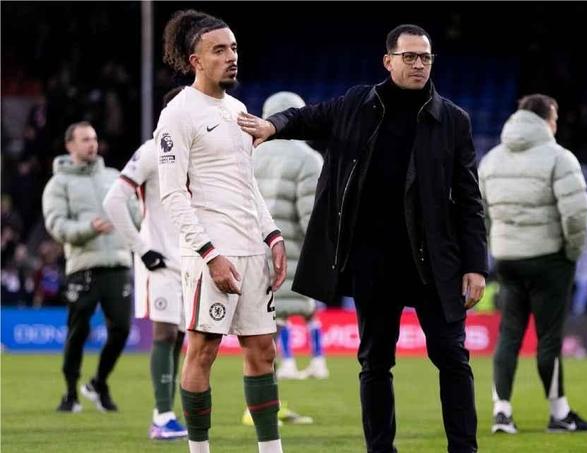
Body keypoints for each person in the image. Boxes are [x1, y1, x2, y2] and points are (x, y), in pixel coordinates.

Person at [240, 24, 487, 453]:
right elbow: (304, 117)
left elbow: (469, 200)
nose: (419, 64)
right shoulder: (356, 104)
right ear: (388, 61)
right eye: (409, 56)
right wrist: (272, 125)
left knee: (452, 358)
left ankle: (463, 449)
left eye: (425, 57)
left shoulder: (453, 120)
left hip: (435, 261)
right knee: (374, 363)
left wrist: (476, 266)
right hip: (374, 262)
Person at [156, 10, 286, 453]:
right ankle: (199, 450)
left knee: (263, 351)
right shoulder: (178, 114)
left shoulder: (237, 111)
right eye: (219, 50)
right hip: (211, 254)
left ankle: (271, 449)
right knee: (203, 350)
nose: (231, 57)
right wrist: (209, 254)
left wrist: (272, 235)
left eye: (233, 48)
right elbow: (173, 195)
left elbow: (247, 184)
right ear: (196, 61)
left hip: (251, 250)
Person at [479, 94, 587, 434]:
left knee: (509, 335)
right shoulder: (559, 157)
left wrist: (497, 246)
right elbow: (576, 214)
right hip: (549, 259)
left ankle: (502, 412)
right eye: (555, 118)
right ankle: (559, 413)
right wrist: (572, 252)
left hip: (507, 259)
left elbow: (480, 213)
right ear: (547, 119)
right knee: (549, 339)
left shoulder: (491, 159)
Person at [102, 87, 188, 439]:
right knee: (165, 333)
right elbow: (113, 200)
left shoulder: (198, 153)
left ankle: (165, 414)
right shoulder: (153, 151)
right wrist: (141, 248)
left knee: (181, 338)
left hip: (193, 263)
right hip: (160, 261)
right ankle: (163, 416)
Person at [42, 121, 133, 413]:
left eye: (93, 138)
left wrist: (135, 223)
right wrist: (89, 229)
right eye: (84, 139)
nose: (92, 144)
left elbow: (135, 211)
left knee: (121, 329)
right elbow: (56, 225)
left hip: (118, 264)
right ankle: (70, 393)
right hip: (83, 267)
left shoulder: (113, 177)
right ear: (70, 145)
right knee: (77, 332)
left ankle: (99, 383)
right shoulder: (58, 184)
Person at [253, 91, 328, 381]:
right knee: (308, 309)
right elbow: (311, 213)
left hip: (259, 246)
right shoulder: (308, 159)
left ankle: (286, 364)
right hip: (296, 247)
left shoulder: (252, 156)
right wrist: (322, 249)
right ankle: (316, 361)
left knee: (275, 311)